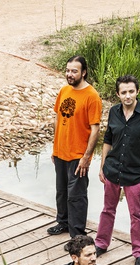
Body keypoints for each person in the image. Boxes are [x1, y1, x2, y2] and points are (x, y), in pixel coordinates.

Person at [95, 75, 140, 265]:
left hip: (135, 174)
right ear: (118, 94)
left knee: (137, 214)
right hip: (113, 169)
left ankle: (139, 252)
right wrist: (102, 166)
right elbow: (108, 139)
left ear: (137, 91)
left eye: (131, 91)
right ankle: (101, 244)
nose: (128, 96)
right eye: (123, 92)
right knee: (108, 209)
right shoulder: (114, 112)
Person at [48, 55, 102, 238]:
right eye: (67, 70)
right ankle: (63, 223)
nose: (69, 74)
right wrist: (55, 147)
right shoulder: (64, 90)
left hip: (78, 156)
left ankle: (77, 235)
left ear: (84, 72)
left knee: (76, 196)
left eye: (74, 71)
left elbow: (95, 129)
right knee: (61, 192)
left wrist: (86, 157)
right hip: (61, 152)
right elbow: (58, 117)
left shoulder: (92, 96)